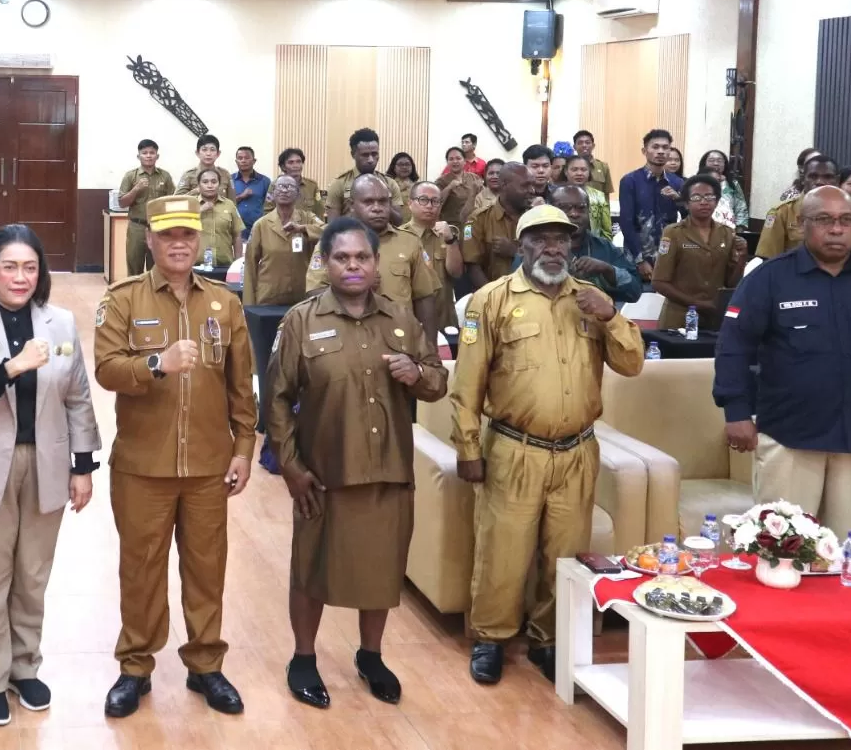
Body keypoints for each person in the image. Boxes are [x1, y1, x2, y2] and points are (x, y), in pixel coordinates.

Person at [453, 204, 644, 685]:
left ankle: (549, 639)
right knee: (503, 552)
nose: (553, 248)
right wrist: (469, 449)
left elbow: (632, 364)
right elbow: (468, 385)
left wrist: (612, 317)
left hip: (577, 451)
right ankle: (491, 639)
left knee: (566, 554)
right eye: (541, 239)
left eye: (562, 239)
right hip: (513, 450)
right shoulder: (491, 300)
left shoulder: (592, 299)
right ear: (522, 247)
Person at [267, 217, 448, 708]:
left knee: (382, 568)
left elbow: (437, 381)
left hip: (389, 469)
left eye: (362, 257)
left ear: (375, 264)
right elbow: (277, 400)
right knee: (310, 568)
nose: (353, 266)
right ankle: (303, 658)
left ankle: (371, 655)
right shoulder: (301, 321)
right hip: (323, 473)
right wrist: (289, 466)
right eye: (342, 257)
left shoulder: (402, 322)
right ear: (324, 263)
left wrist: (416, 373)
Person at [92, 195, 256, 719]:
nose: (179, 243)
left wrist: (245, 448)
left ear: (200, 239)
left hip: (209, 465)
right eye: (168, 235)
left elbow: (242, 386)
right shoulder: (123, 299)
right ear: (152, 240)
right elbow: (107, 370)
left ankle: (205, 664)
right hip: (143, 466)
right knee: (140, 569)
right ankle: (135, 667)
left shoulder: (225, 303)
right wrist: (156, 364)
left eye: (187, 234)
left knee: (207, 569)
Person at [0, 225, 101, 727]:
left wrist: (82, 466)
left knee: (32, 576)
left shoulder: (60, 322)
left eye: (30, 267)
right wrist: (12, 367)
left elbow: (78, 396)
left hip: (46, 464)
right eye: (9, 266)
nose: (20, 276)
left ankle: (25, 667)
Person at [716, 186, 851, 536]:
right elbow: (734, 346)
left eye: (846, 220)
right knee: (782, 550)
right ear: (802, 224)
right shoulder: (770, 279)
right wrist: (737, 411)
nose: (836, 229)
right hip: (790, 435)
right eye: (824, 220)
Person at [306, 175, 439, 342]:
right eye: (368, 202)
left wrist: (430, 349)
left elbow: (424, 298)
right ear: (352, 206)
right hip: (346, 338)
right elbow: (313, 292)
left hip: (399, 340)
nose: (377, 208)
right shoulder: (334, 242)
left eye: (383, 202)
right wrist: (354, 288)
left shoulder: (409, 242)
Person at [513, 185, 643, 307]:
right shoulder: (534, 248)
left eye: (581, 208)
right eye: (565, 208)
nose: (574, 214)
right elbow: (514, 292)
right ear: (551, 208)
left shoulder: (604, 248)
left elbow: (635, 293)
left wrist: (608, 270)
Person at [651, 175, 746, 331]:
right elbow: (659, 282)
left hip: (714, 318)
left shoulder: (727, 233)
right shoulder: (673, 233)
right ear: (687, 203)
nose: (704, 202)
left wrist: (742, 257)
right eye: (696, 197)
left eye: (709, 197)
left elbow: (731, 284)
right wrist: (698, 304)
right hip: (679, 318)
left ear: (716, 201)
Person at [756, 155, 851, 258]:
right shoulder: (782, 212)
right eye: (813, 176)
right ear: (803, 179)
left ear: (837, 180)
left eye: (827, 177)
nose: (820, 182)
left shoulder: (849, 213)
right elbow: (768, 258)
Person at [243, 173, 324, 306]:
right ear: (273, 194)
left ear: (298, 194)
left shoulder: (308, 218)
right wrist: (249, 304)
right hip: (269, 296)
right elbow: (250, 265)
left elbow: (329, 232)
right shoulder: (261, 224)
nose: (285, 190)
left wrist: (303, 229)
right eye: (280, 187)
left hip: (301, 296)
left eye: (290, 187)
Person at [618, 128, 684, 280]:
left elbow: (688, 218)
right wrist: (640, 260)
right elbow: (626, 222)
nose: (660, 152)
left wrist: (679, 199)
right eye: (655, 147)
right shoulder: (630, 181)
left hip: (667, 256)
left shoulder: (677, 182)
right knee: (637, 301)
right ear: (644, 151)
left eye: (665, 147)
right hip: (636, 257)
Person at [403, 180, 463, 332]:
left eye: (435, 201)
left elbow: (456, 272)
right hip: (411, 322)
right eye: (423, 200)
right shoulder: (400, 237)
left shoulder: (447, 234)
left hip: (444, 320)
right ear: (410, 203)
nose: (429, 206)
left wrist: (450, 240)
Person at [116, 139, 176, 276]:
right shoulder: (130, 176)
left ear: (157, 156)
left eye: (152, 153)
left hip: (159, 227)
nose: (148, 156)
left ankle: (154, 297)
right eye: (144, 153)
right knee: (134, 267)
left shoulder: (165, 176)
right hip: (137, 227)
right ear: (139, 156)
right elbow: (122, 203)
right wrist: (136, 189)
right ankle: (134, 296)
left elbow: (171, 201)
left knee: (156, 268)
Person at [327, 128, 399, 223]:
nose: (371, 160)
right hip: (352, 235)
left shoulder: (389, 183)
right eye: (365, 155)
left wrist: (384, 203)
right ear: (353, 154)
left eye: (374, 154)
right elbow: (332, 224)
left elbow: (398, 221)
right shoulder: (339, 184)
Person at [195, 169, 243, 267]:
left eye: (214, 182)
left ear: (219, 184)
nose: (210, 185)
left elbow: (237, 236)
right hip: (196, 266)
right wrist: (199, 211)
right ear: (199, 185)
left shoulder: (229, 205)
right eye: (205, 182)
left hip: (224, 266)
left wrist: (237, 264)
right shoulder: (191, 205)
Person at [562, 155, 612, 239]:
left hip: (593, 245)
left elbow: (606, 230)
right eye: (574, 170)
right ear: (566, 171)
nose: (579, 173)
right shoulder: (558, 194)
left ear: (589, 172)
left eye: (583, 170)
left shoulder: (598, 196)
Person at [264, 148, 324, 217]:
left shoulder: (312, 186)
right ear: (283, 167)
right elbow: (268, 211)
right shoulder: (275, 185)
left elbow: (320, 211)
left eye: (298, 162)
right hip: (282, 226)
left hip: (307, 226)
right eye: (291, 162)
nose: (296, 165)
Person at [697, 149, 749, 228]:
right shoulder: (696, 182)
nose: (716, 163)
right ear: (704, 163)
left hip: (728, 228)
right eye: (711, 160)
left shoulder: (733, 184)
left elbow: (741, 207)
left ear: (725, 164)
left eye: (720, 161)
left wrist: (740, 228)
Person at [435, 146, 484, 226]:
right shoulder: (441, 181)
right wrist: (449, 187)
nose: (455, 161)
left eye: (458, 158)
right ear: (447, 162)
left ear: (464, 161)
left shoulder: (474, 177)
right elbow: (435, 203)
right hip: (451, 226)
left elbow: (483, 199)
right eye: (451, 159)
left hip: (473, 224)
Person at [228, 146, 269, 239]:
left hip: (259, 229)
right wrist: (241, 196)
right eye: (240, 158)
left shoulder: (265, 181)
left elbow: (270, 206)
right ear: (236, 162)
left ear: (254, 161)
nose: (243, 161)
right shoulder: (229, 180)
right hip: (235, 229)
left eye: (247, 158)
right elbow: (226, 203)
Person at [174, 134, 232, 198]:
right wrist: (196, 191)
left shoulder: (225, 174)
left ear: (218, 153)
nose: (208, 153)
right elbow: (177, 200)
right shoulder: (189, 175)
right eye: (204, 150)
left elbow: (232, 203)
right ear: (197, 153)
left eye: (212, 150)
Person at [571, 130, 613, 197]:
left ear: (593, 146)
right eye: (580, 143)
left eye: (587, 142)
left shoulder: (603, 167)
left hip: (596, 206)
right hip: (574, 205)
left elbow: (606, 194)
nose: (584, 145)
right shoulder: (568, 167)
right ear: (574, 147)